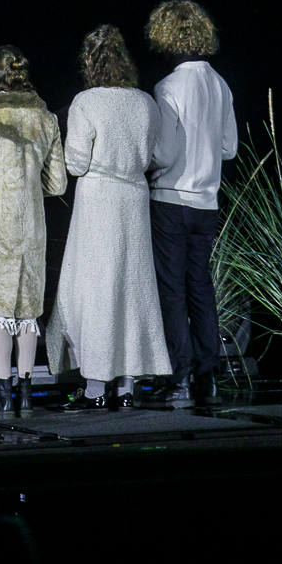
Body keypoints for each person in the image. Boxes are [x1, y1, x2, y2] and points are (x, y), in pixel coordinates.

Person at [46, 25, 173, 410]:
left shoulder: (86, 101)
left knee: (97, 289)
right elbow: (158, 156)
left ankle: (95, 390)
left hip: (99, 200)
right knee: (133, 288)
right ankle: (127, 387)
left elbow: (76, 162)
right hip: (134, 198)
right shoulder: (145, 102)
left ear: (90, 62)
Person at [0, 45, 67, 418]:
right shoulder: (46, 118)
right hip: (31, 228)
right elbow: (57, 184)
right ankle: (26, 394)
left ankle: (4, 396)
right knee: (26, 310)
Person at [145, 0, 238, 408]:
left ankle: (179, 375)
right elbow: (229, 148)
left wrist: (147, 160)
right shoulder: (220, 84)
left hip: (171, 200)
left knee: (172, 290)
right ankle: (208, 376)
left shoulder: (168, 87)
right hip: (206, 203)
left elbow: (164, 154)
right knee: (201, 286)